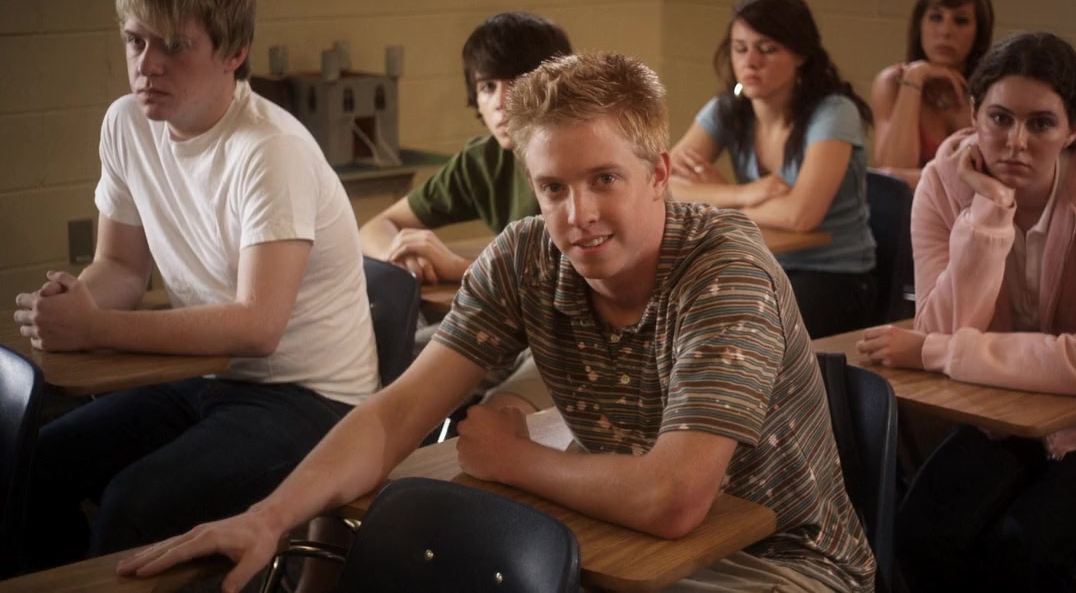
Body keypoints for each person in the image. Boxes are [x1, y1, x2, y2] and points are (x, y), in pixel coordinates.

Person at [119, 53, 877, 593]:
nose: (577, 215)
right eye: (553, 188)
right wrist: (268, 516)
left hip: (787, 567)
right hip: (615, 547)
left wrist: (512, 460)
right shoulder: (524, 256)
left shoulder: (724, 270)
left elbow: (673, 499)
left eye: (604, 179)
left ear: (657, 175)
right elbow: (394, 416)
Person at [10, 0, 378, 570]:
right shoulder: (126, 124)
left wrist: (96, 327)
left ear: (234, 53)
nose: (146, 65)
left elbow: (257, 327)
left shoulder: (270, 149)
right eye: (135, 41)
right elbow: (122, 269)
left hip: (312, 400)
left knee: (131, 506)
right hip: (206, 376)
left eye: (174, 46)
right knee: (33, 464)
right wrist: (75, 303)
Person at [858, 32, 1076, 591]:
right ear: (974, 113)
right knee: (917, 536)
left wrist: (938, 353)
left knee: (1019, 549)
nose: (1016, 143)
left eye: (1041, 124)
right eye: (999, 118)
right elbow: (942, 326)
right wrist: (990, 207)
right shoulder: (942, 182)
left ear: (1073, 128)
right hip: (1003, 421)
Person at [359, 11, 572, 415]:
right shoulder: (484, 159)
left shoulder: (579, 153)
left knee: (481, 408)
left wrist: (458, 266)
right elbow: (375, 226)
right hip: (511, 322)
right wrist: (404, 254)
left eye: (517, 81)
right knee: (374, 363)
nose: (501, 102)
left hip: (566, 334)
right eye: (487, 86)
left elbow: (569, 275)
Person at [669, 0, 877, 339]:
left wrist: (714, 199)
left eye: (767, 49)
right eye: (740, 48)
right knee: (674, 312)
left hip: (835, 275)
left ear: (801, 55)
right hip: (762, 264)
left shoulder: (834, 112)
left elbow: (802, 215)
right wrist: (742, 194)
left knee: (746, 334)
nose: (750, 62)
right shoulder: (728, 108)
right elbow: (662, 185)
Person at [870, 0, 995, 189]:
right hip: (907, 210)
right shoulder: (892, 82)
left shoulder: (993, 92)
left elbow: (988, 180)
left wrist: (915, 178)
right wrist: (914, 78)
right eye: (936, 17)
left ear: (979, 33)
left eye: (961, 21)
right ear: (920, 25)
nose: (945, 31)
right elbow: (893, 178)